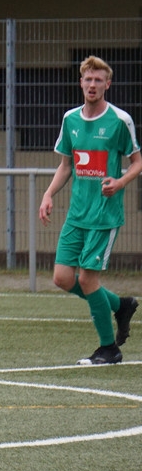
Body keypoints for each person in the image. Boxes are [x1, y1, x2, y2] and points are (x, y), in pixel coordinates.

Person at [38, 55, 141, 365]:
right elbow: (66, 165)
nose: (92, 84)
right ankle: (119, 305)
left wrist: (120, 182)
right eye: (88, 79)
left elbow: (137, 162)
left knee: (87, 280)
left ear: (107, 84)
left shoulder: (119, 121)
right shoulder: (70, 119)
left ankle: (109, 349)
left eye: (98, 80)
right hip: (77, 214)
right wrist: (48, 194)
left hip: (103, 215)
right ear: (80, 82)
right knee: (62, 278)